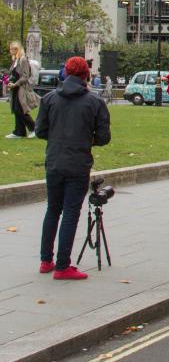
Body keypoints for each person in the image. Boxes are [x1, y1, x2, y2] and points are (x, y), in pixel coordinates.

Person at [35, 56, 111, 280]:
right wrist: (86, 139)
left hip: (55, 160)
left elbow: (40, 131)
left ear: (66, 73)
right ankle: (62, 266)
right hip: (78, 163)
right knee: (70, 213)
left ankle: (46, 260)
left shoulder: (49, 99)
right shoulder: (95, 102)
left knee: (53, 209)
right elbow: (104, 137)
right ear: (85, 74)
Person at [6, 42, 38, 139]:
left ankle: (34, 128)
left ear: (17, 50)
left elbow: (25, 76)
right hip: (15, 88)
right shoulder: (15, 60)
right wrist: (9, 82)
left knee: (19, 110)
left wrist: (15, 84)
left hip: (21, 88)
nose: (10, 51)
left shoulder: (23, 59)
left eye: (12, 49)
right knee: (16, 109)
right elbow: (14, 74)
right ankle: (19, 132)